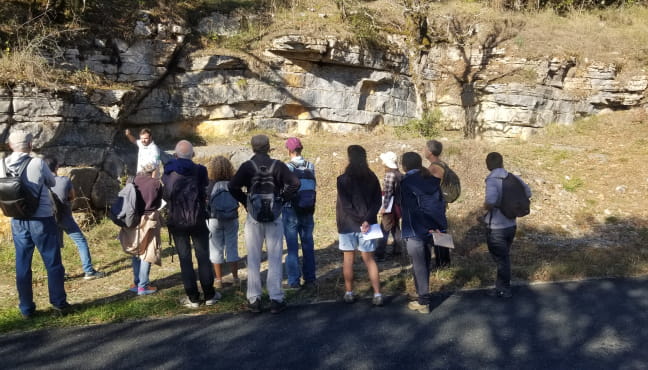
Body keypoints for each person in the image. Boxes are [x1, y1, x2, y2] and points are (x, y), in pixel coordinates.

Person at [229, 135, 300, 314]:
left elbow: (232, 186)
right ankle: (276, 298)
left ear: (252, 148)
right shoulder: (278, 165)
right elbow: (295, 183)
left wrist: (245, 201)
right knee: (275, 257)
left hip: (254, 216)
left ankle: (254, 299)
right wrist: (282, 199)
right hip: (274, 215)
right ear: (269, 147)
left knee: (253, 258)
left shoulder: (247, 167)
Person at [3, 131, 70, 318]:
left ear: (10, 145)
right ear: (30, 145)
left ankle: (26, 308)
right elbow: (51, 181)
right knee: (52, 262)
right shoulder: (38, 162)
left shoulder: (1, 164)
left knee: (23, 264)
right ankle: (58, 304)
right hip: (41, 219)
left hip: (17, 219)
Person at [162, 140, 219, 308]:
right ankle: (209, 295)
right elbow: (204, 191)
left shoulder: (168, 173)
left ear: (175, 155)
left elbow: (165, 196)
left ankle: (193, 298)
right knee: (203, 257)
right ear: (192, 155)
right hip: (198, 218)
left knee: (185, 259)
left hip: (177, 221)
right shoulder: (200, 170)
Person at [399, 152, 447, 314]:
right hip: (433, 228)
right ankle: (423, 296)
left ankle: (423, 301)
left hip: (415, 229)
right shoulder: (432, 180)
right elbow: (440, 204)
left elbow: (408, 208)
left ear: (404, 166)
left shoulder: (406, 183)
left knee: (419, 265)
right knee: (425, 262)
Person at [43, 156, 105, 280]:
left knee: (54, 247)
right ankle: (89, 271)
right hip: (65, 216)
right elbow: (72, 197)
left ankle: (58, 274)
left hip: (49, 218)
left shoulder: (40, 183)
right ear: (56, 167)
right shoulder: (64, 181)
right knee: (81, 242)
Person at [336, 145, 383, 306]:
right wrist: (366, 219)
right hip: (368, 226)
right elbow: (377, 201)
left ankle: (349, 292)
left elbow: (346, 205)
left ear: (349, 158)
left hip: (348, 225)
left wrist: (358, 220)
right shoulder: (372, 177)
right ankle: (377, 294)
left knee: (348, 260)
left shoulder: (342, 179)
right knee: (370, 260)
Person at [482, 152, 532, 299]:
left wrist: (484, 209)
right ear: (502, 162)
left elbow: (490, 201)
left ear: (488, 164)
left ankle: (504, 289)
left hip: (496, 226)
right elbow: (528, 192)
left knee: (501, 259)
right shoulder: (513, 177)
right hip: (511, 224)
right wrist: (511, 204)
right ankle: (500, 287)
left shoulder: (492, 180)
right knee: (503, 257)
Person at [120, 162, 163, 296]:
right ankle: (143, 286)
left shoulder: (132, 180)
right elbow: (158, 202)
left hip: (132, 219)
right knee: (148, 252)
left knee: (137, 251)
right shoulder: (156, 184)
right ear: (154, 171)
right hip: (149, 219)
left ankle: (137, 282)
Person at [282, 137, 317, 289]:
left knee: (292, 247)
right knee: (308, 243)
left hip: (291, 209)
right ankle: (310, 278)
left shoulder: (286, 167)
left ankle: (294, 281)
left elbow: (283, 188)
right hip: (308, 208)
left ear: (289, 150)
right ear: (301, 149)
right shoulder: (310, 165)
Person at [206, 156, 240, 289]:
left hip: (214, 218)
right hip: (232, 217)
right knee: (232, 247)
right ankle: (236, 278)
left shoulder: (210, 184)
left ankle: (219, 279)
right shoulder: (233, 182)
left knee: (215, 249)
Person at [423, 139, 451, 267]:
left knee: (438, 230)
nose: (423, 151)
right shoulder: (441, 164)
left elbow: (430, 187)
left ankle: (443, 262)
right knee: (440, 229)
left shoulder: (434, 167)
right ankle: (444, 261)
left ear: (430, 151)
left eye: (425, 148)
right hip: (439, 202)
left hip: (436, 204)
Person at [375, 151, 403, 262]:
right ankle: (398, 251)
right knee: (396, 228)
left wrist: (384, 207)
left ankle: (380, 254)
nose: (382, 162)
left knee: (384, 229)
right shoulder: (398, 173)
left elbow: (388, 193)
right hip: (397, 206)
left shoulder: (389, 174)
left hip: (390, 206)